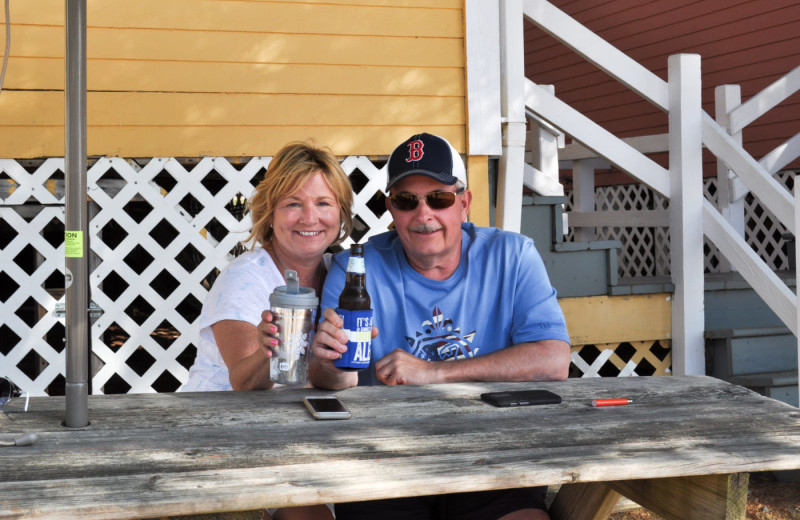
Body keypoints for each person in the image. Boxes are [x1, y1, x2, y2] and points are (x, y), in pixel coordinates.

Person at [304, 133, 571, 520]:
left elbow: (553, 360)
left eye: (439, 199)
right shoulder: (356, 269)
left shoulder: (512, 255)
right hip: (385, 465)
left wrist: (432, 372)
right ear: (390, 209)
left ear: (464, 203)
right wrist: (328, 361)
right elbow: (331, 379)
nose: (423, 214)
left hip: (496, 462)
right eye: (407, 201)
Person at [182, 140, 353, 520]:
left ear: (340, 212)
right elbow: (244, 382)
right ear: (270, 212)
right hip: (219, 443)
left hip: (300, 440)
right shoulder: (244, 279)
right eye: (294, 203)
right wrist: (266, 350)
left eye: (323, 203)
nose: (310, 217)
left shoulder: (342, 275)